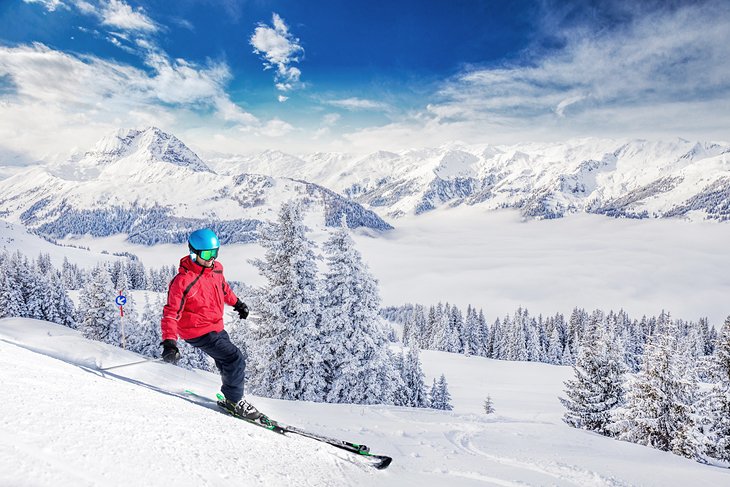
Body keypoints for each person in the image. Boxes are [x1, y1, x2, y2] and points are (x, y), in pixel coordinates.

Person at [160, 228, 260, 420]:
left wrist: (237, 304)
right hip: (196, 331)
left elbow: (223, 289)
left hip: (215, 326)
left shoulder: (216, 269)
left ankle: (230, 395)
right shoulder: (182, 281)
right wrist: (169, 342)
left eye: (214, 253)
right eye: (206, 254)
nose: (211, 259)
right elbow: (171, 313)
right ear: (194, 252)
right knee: (234, 358)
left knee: (226, 361)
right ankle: (234, 401)